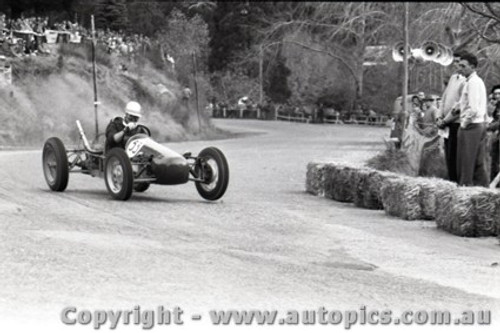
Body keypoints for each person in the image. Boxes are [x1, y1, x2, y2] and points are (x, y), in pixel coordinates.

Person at [455, 52, 489, 187]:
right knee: (477, 161)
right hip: (476, 125)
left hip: (472, 126)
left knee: (466, 161)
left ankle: (466, 188)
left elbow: (473, 109)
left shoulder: (474, 82)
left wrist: (464, 123)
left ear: (473, 67)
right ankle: (482, 190)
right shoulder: (472, 82)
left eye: (464, 66)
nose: (460, 69)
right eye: (460, 66)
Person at [436, 52, 465, 182]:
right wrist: (438, 117)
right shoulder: (454, 77)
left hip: (456, 123)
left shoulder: (466, 81)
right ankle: (450, 180)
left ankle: (455, 182)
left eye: (460, 62)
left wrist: (446, 120)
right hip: (445, 124)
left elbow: (460, 106)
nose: (457, 65)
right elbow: (444, 99)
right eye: (455, 62)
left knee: (454, 156)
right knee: (448, 155)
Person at [487, 85, 500, 184]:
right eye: (495, 94)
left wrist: (488, 126)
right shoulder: (496, 107)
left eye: (499, 93)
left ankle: (494, 184)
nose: (497, 96)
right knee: (494, 162)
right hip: (496, 138)